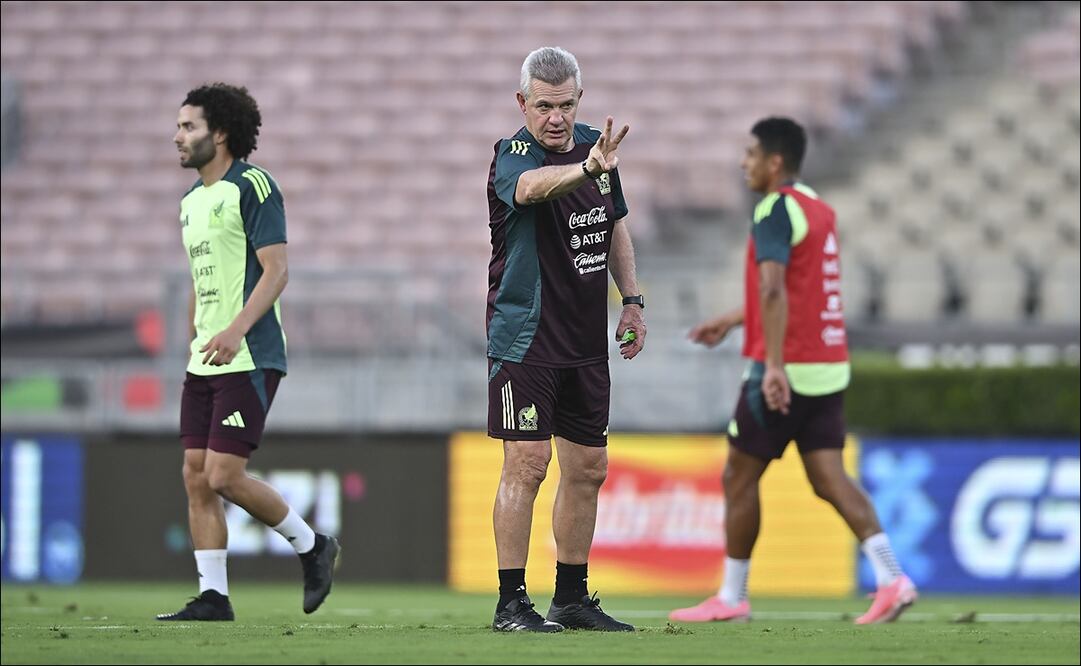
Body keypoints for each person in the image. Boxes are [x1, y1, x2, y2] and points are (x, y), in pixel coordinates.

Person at [669, 117, 916, 625]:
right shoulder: (819, 210)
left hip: (785, 369)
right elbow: (798, 292)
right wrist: (735, 320)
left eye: (751, 154)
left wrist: (774, 365)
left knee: (738, 475)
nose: (744, 162)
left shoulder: (774, 209)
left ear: (774, 162)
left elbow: (776, 288)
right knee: (828, 475)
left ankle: (732, 597)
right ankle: (893, 578)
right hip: (826, 364)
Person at [158, 83, 340, 621]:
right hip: (206, 357)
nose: (178, 137)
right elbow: (201, 280)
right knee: (195, 472)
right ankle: (213, 596)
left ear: (220, 133)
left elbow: (277, 270)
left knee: (222, 475)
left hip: (251, 354)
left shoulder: (253, 185)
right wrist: (197, 335)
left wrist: (236, 329)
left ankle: (312, 545)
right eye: (178, 127)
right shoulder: (190, 203)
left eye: (188, 126)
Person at [486, 47, 646, 633]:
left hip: (584, 341)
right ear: (522, 103)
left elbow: (615, 226)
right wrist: (588, 168)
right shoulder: (513, 153)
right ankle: (510, 603)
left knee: (589, 467)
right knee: (527, 463)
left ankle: (571, 598)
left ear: (580, 100)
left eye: (567, 105)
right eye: (545, 106)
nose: (556, 117)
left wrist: (631, 300)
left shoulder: (596, 149)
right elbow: (529, 189)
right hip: (525, 339)